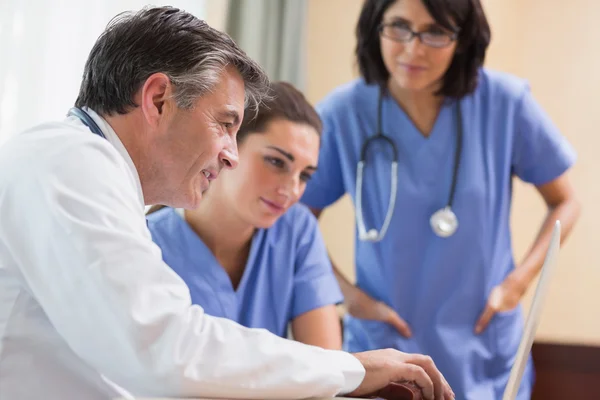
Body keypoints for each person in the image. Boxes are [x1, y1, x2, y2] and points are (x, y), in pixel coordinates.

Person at [0, 6, 454, 400]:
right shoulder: (74, 163)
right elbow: (165, 350)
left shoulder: (86, 171)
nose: (231, 154)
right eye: (225, 123)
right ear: (158, 100)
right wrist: (353, 369)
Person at [301, 0, 581, 399]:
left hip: (482, 344)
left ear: (462, 38)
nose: (413, 49)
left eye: (434, 32)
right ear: (374, 28)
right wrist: (347, 295)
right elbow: (294, 217)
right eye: (398, 27)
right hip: (387, 342)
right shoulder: (344, 112)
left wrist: (518, 284)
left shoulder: (504, 103)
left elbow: (566, 202)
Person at [146, 81, 344, 349]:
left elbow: (328, 369)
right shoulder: (147, 243)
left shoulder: (297, 231)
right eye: (276, 162)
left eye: (305, 175)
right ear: (228, 148)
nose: (292, 189)